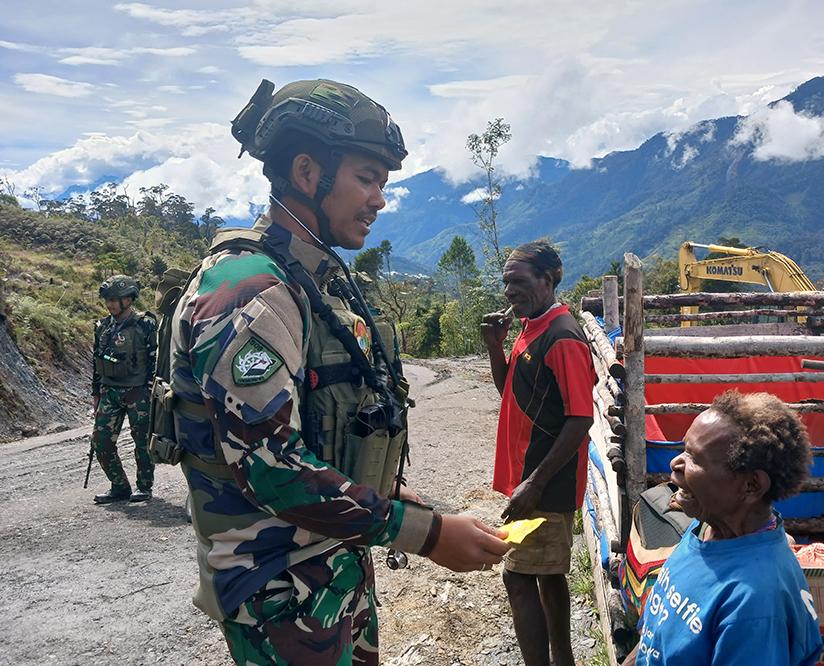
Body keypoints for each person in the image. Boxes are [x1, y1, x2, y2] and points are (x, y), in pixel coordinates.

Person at [162, 78, 510, 666]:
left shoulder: (306, 283)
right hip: (280, 594)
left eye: (383, 183)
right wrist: (427, 535)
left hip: (327, 574)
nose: (379, 199)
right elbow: (275, 470)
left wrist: (387, 490)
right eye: (367, 178)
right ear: (306, 172)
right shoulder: (253, 294)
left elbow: (316, 430)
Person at [624, 390, 823, 666]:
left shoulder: (755, 606)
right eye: (684, 449)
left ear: (751, 485)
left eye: (695, 459)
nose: (675, 463)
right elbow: (656, 635)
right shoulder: (705, 530)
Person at [480, 241, 596, 666]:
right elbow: (513, 392)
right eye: (507, 281)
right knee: (547, 575)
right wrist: (496, 346)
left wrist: (535, 482)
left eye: (520, 281)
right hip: (534, 480)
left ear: (549, 281)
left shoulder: (562, 336)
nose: (509, 290)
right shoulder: (533, 326)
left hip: (545, 483)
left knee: (518, 577)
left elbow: (581, 418)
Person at [90, 274, 156, 504]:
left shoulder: (145, 324)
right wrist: (96, 393)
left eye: (113, 299)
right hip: (110, 391)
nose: (109, 304)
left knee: (143, 442)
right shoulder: (102, 326)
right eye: (107, 300)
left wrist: (151, 390)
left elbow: (155, 359)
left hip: (138, 392)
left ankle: (144, 487)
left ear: (128, 299)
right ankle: (119, 486)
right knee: (100, 441)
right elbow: (96, 361)